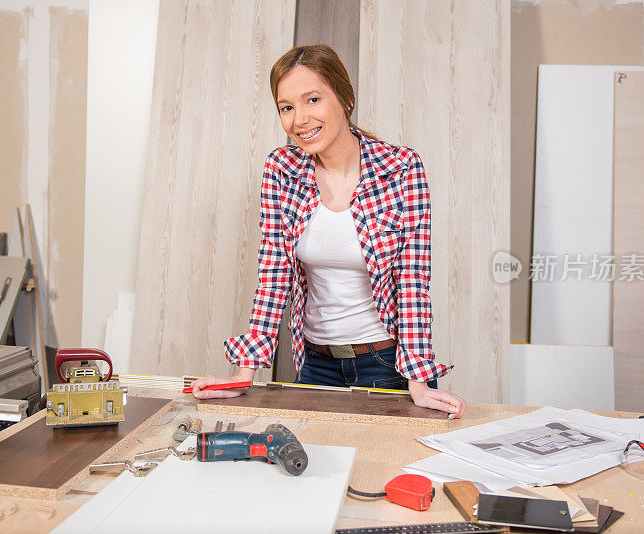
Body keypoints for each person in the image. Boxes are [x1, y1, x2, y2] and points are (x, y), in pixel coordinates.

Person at [192, 44, 466, 417]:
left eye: (313, 99)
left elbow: (412, 278)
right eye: (287, 107)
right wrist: (245, 373)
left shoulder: (401, 168)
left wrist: (417, 378)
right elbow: (274, 273)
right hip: (315, 364)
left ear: (345, 98)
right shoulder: (282, 169)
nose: (299, 119)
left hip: (385, 364)